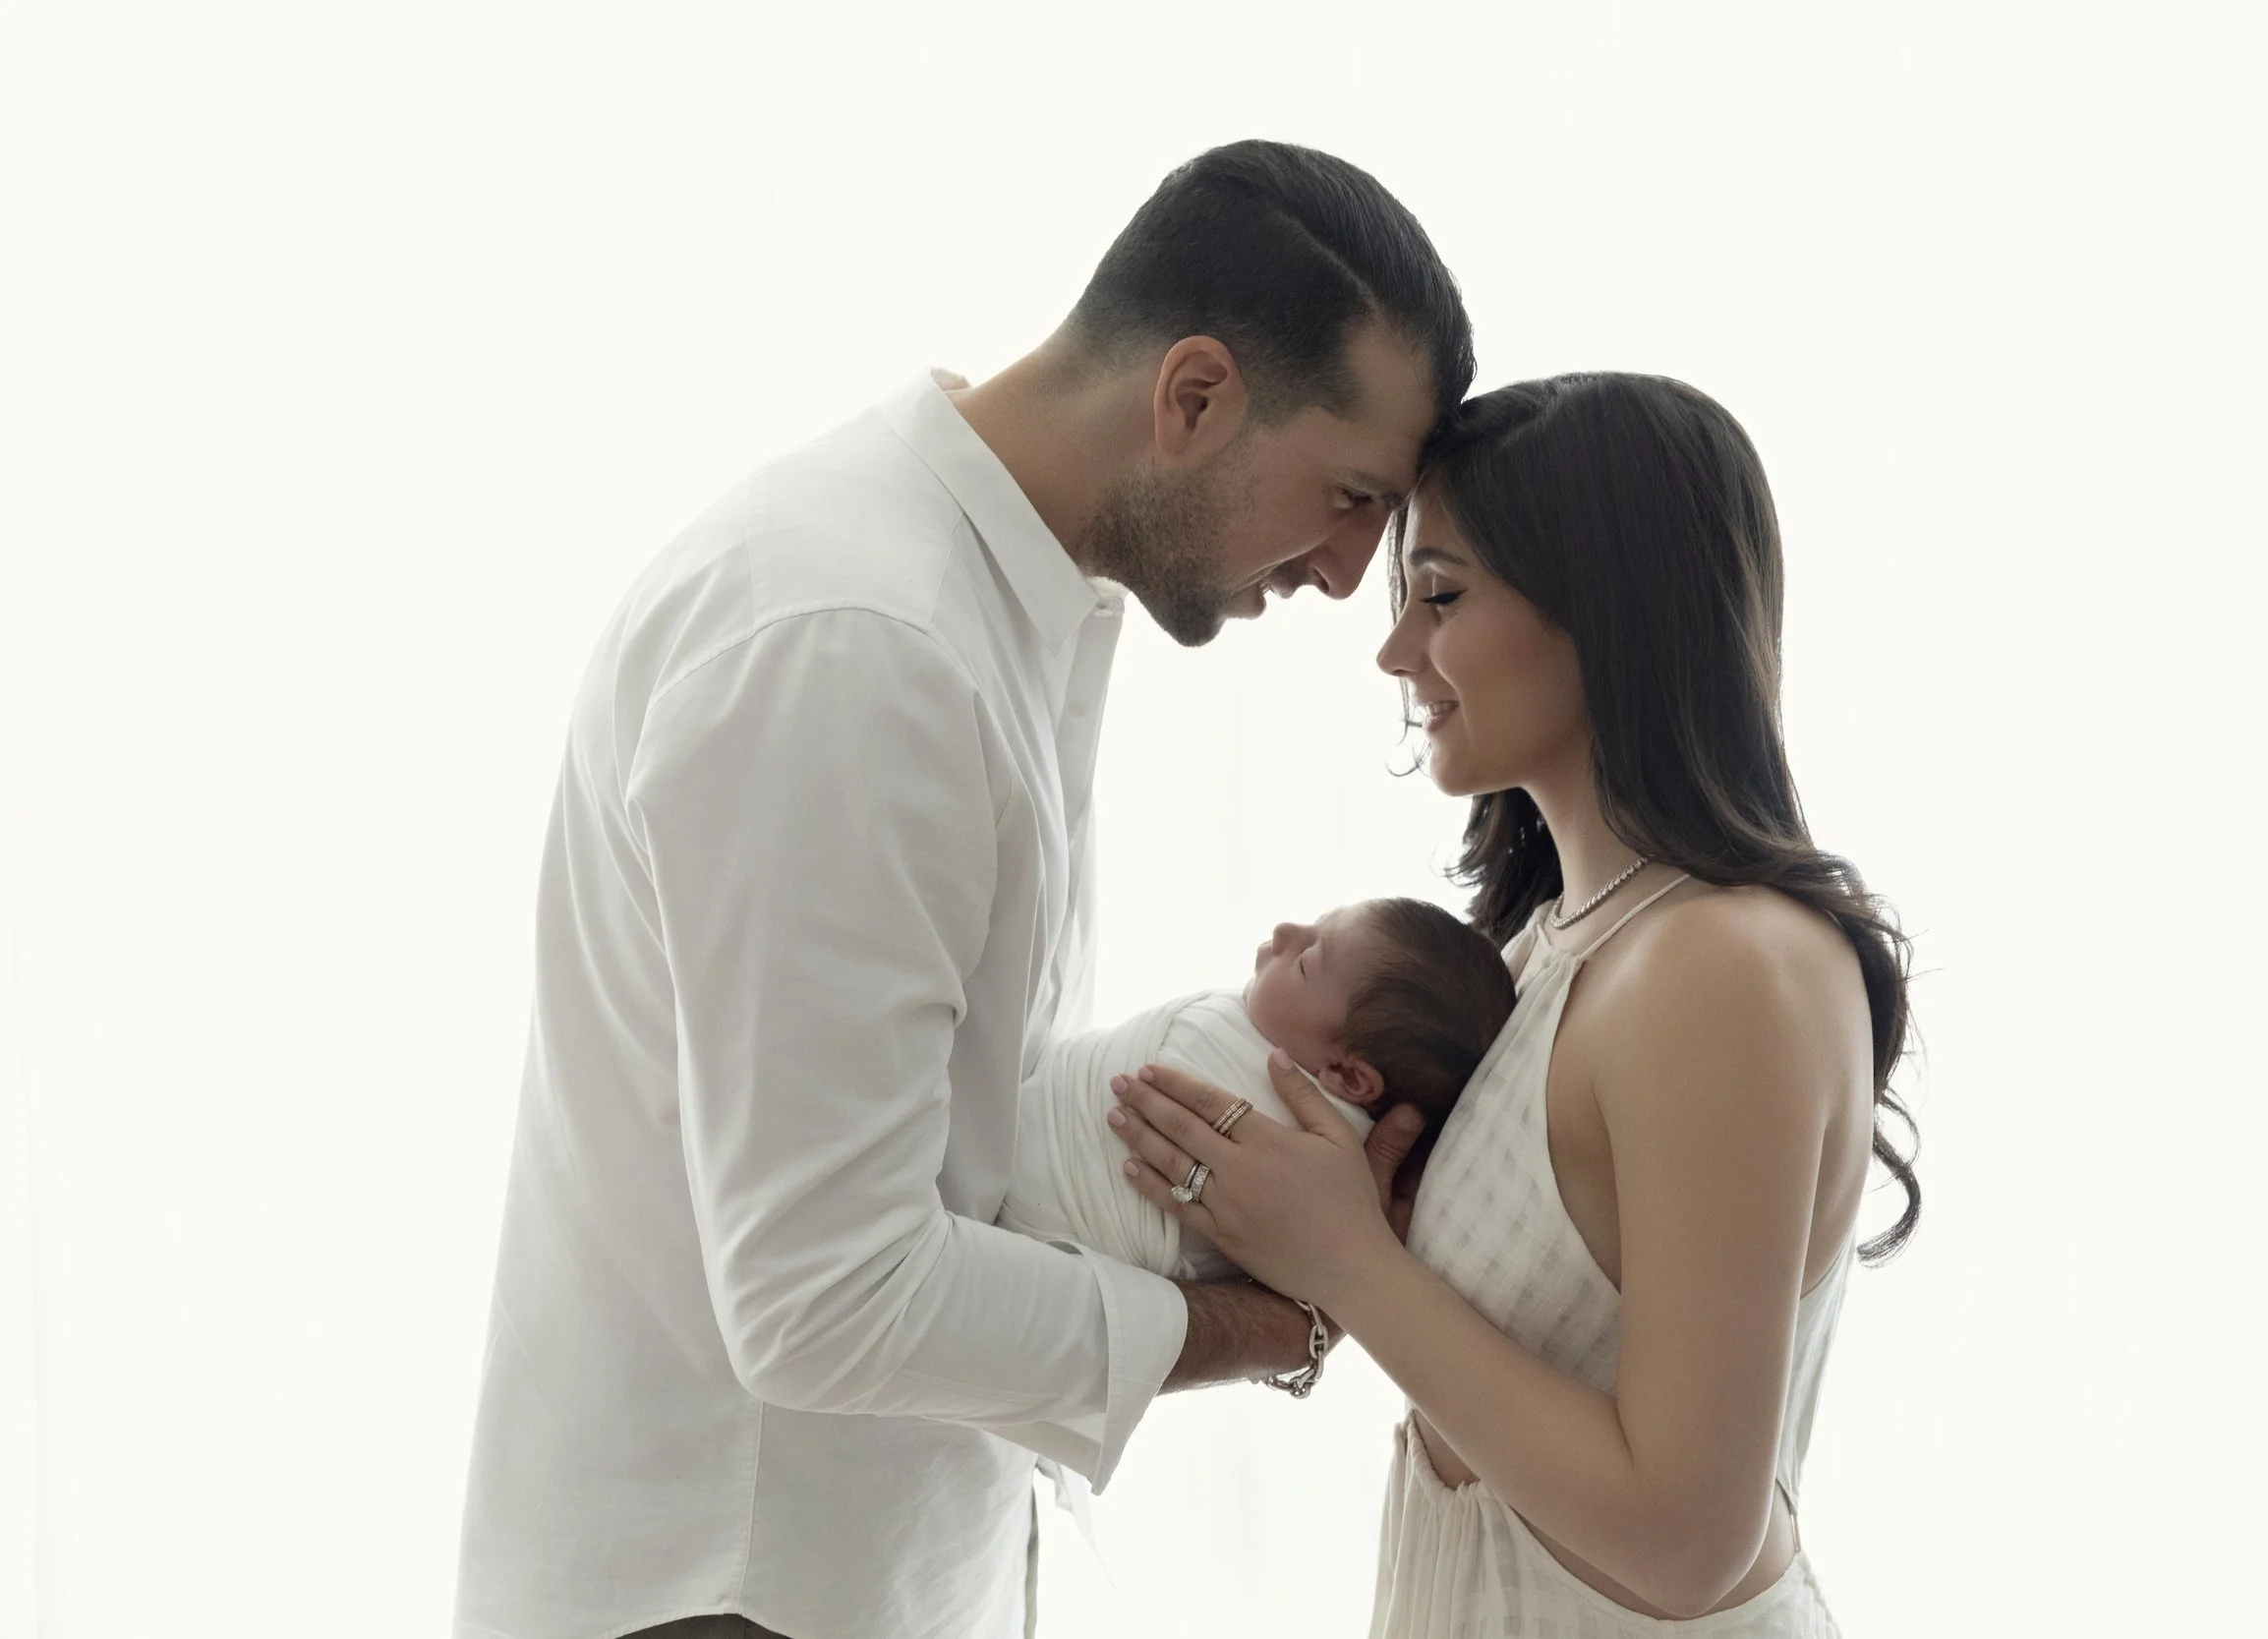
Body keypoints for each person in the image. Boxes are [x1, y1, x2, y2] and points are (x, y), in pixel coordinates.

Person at [452, 141, 1473, 1639]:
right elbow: (827, 1296)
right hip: (735, 1587)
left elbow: (944, 1158)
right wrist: (1282, 1312)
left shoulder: (976, 609)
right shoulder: (861, 641)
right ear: (1192, 395)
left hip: (843, 1566)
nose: (1344, 575)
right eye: (1346, 495)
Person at [1110, 373, 1921, 1636]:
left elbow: (1685, 1541)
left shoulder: (1717, 967)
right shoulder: (1548, 945)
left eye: (1440, 594)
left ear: (1613, 609)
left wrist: (1345, 1258)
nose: (1393, 650)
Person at [999, 897, 1515, 1281]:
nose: (1285, 930)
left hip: (1041, 1231)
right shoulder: (1274, 1042)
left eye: (1308, 960)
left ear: (1348, 1076)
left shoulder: (1316, 1163)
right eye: (1314, 925)